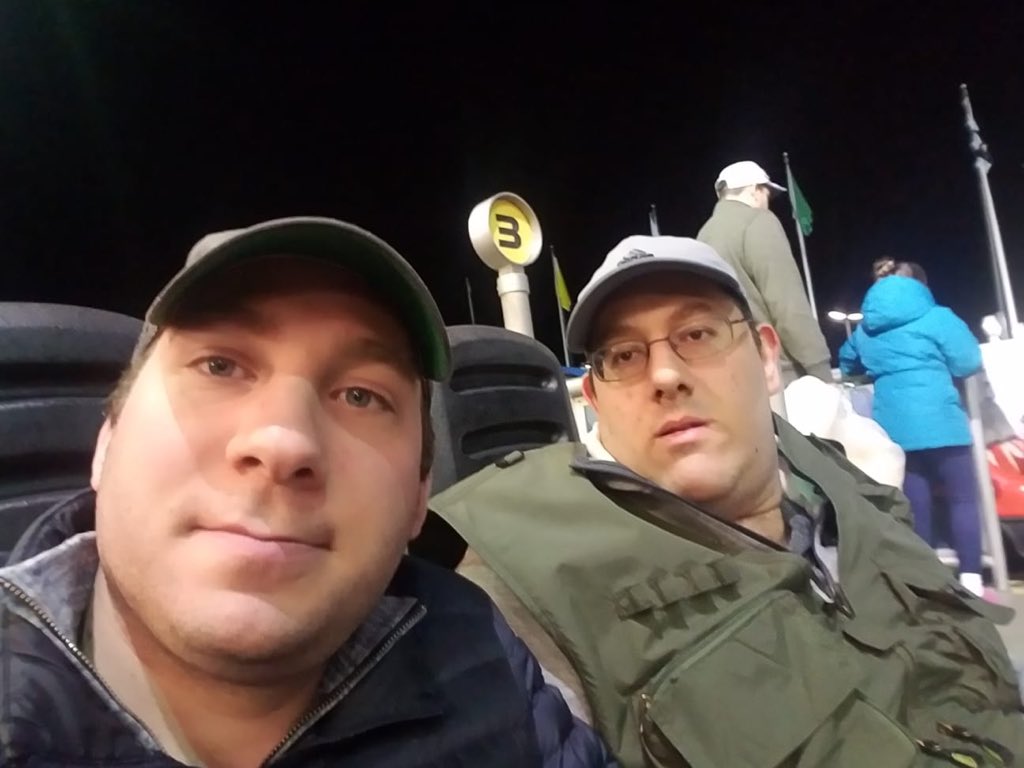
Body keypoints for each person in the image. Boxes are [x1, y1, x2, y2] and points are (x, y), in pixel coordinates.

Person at [0, 216, 614, 768]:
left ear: (418, 495)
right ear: (107, 441)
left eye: (361, 396)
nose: (284, 441)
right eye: (219, 365)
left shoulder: (480, 653)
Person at [431, 235, 1024, 767]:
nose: (665, 375)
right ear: (595, 398)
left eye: (698, 334)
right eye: (625, 356)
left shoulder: (851, 485)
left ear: (766, 357)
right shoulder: (528, 592)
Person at [840, 257, 987, 597]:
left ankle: (927, 582)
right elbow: (968, 362)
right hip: (943, 423)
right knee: (963, 501)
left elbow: (847, 363)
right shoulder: (937, 316)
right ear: (920, 285)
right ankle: (973, 581)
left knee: (915, 506)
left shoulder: (866, 329)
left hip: (895, 429)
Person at [696, 160, 832, 395]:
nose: (767, 203)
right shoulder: (758, 221)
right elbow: (787, 304)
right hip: (779, 377)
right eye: (767, 194)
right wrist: (820, 369)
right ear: (755, 190)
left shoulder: (703, 237)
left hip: (729, 377)